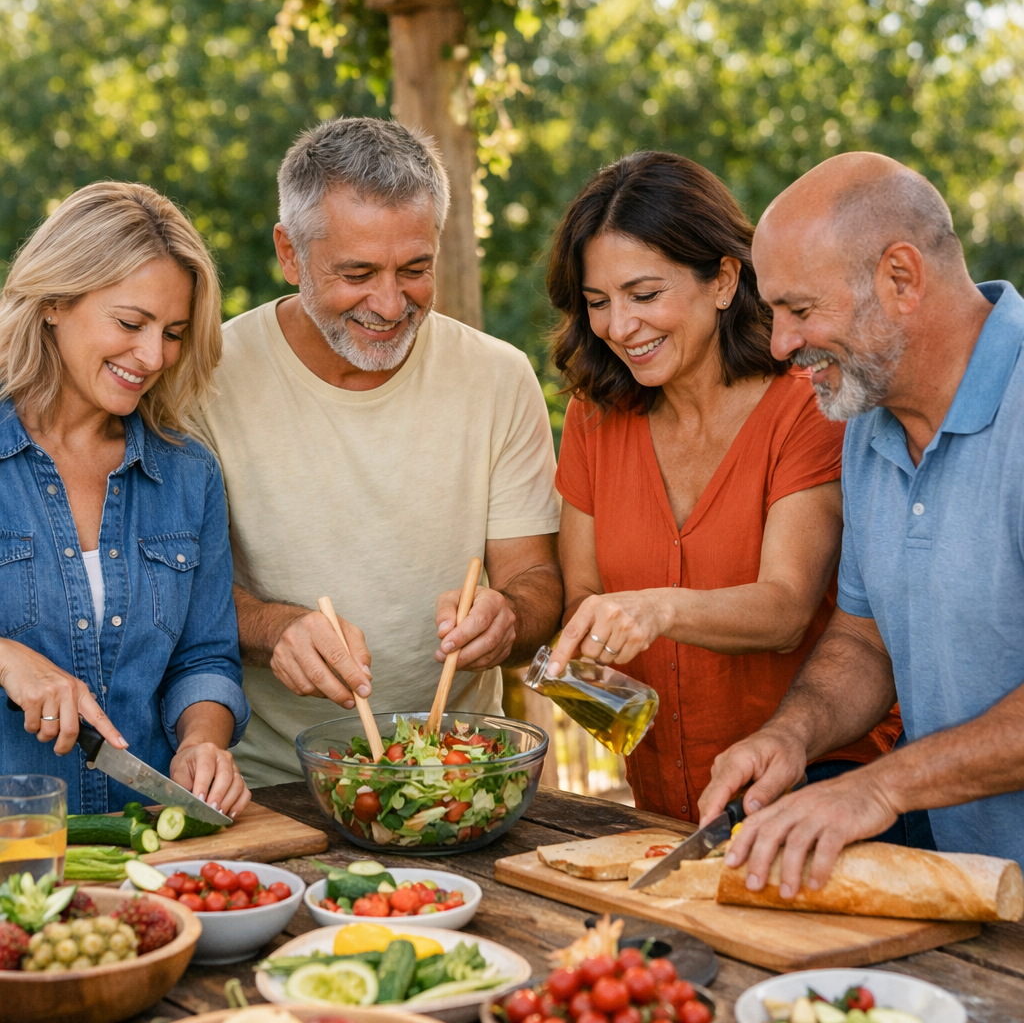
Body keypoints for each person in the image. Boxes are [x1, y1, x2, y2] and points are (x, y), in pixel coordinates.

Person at [199, 116, 562, 786]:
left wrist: (508, 618)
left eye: (415, 270)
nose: (390, 303)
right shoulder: (206, 378)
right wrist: (272, 626)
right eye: (358, 273)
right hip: (270, 784)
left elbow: (537, 582)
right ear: (289, 252)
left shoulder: (499, 376)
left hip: (460, 776)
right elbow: (177, 591)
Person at [702, 151, 1024, 892]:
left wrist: (880, 787)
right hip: (967, 894)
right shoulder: (865, 425)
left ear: (901, 280)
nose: (781, 344)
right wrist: (792, 734)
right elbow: (864, 638)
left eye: (800, 310)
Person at [543, 152, 899, 819]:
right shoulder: (594, 418)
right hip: (661, 806)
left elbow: (787, 608)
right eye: (598, 302)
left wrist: (656, 609)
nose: (620, 327)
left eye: (644, 295)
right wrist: (594, 679)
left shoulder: (807, 406)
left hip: (815, 796)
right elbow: (583, 598)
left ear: (724, 280)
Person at [0, 183, 251, 818]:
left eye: (173, 332)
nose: (152, 356)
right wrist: (7, 658)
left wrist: (203, 740)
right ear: (55, 301)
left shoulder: (188, 475)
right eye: (130, 323)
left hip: (144, 845)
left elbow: (204, 656)